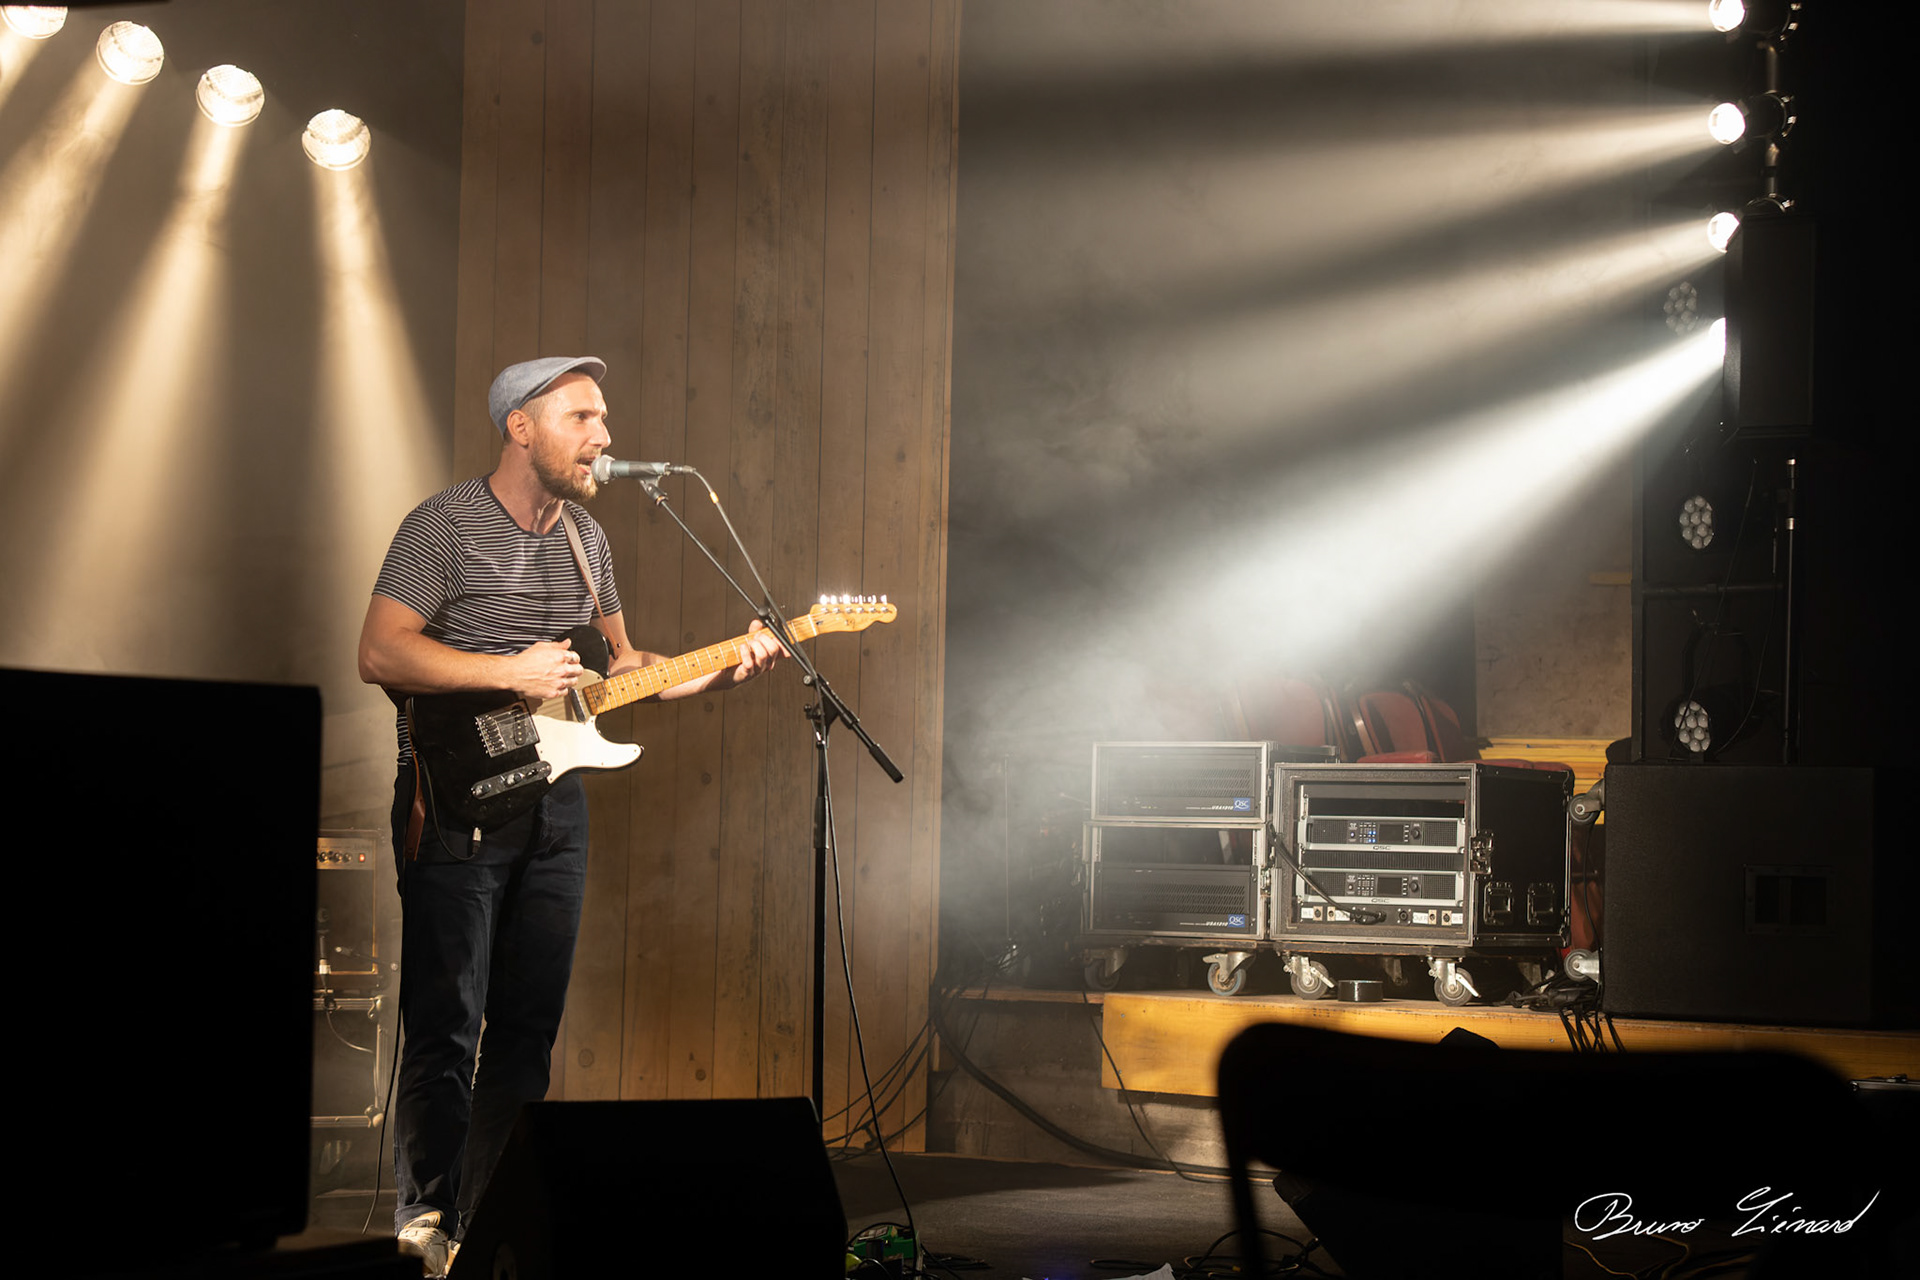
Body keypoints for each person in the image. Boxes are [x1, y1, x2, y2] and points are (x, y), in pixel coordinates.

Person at [357, 356, 781, 1276]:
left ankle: (485, 1213)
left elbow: (621, 667)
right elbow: (380, 652)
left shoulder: (588, 537)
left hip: (554, 807)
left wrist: (715, 665)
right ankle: (423, 1217)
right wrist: (504, 669)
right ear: (521, 427)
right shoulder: (445, 524)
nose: (605, 436)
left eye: (604, 418)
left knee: (526, 1024)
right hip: (456, 797)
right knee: (447, 1016)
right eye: (583, 417)